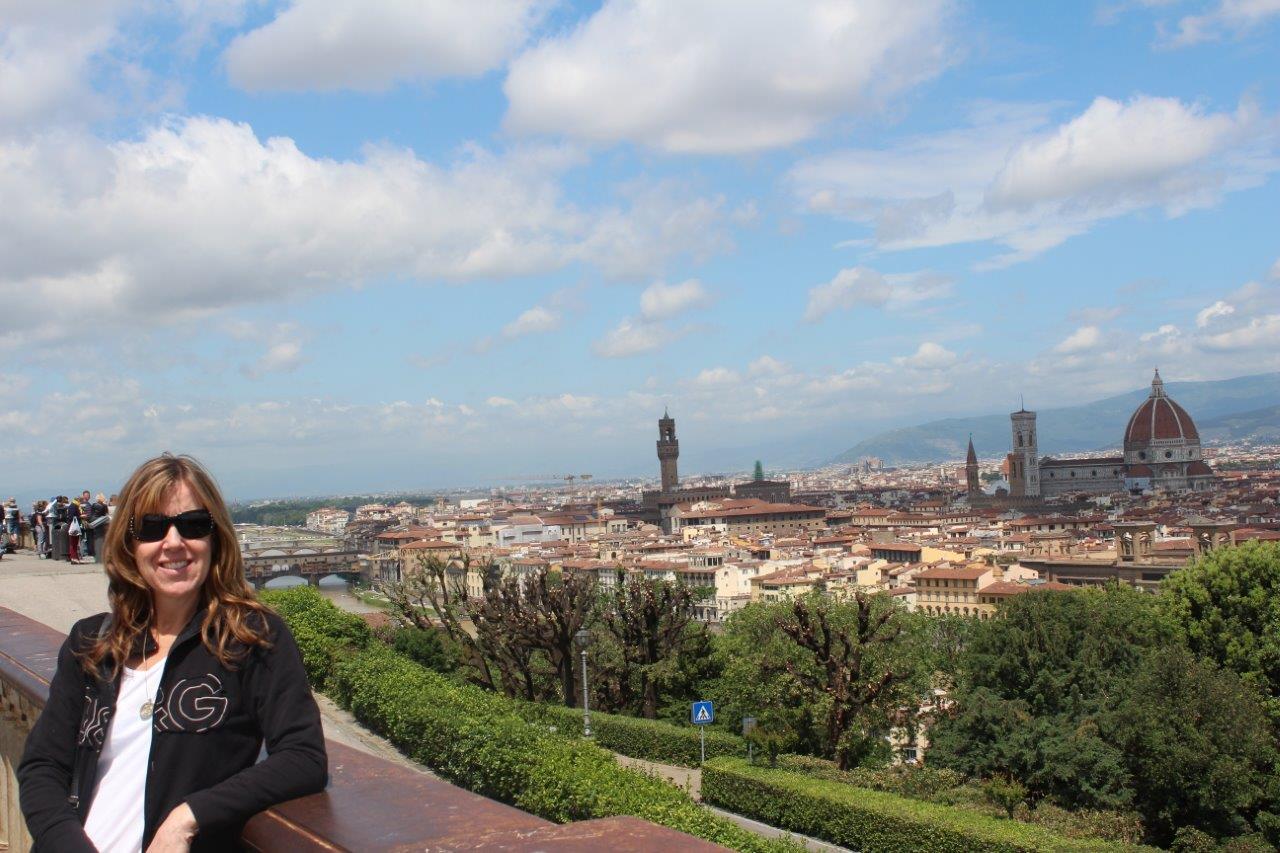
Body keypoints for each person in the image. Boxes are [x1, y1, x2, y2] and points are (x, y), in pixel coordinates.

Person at [18, 454, 327, 852]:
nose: (174, 542)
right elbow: (43, 767)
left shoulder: (251, 639)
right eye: (153, 527)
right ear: (130, 543)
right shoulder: (91, 643)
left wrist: (189, 815)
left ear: (215, 537)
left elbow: (303, 756)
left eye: (194, 525)